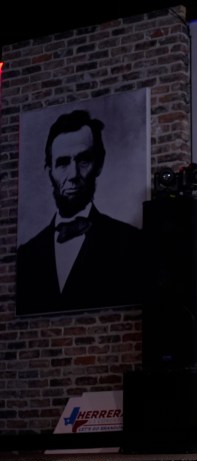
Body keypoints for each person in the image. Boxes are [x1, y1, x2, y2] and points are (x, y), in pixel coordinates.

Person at [16, 109, 143, 316]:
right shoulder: (26, 256)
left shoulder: (131, 242)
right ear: (49, 171)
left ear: (99, 164)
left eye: (83, 160)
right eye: (63, 162)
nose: (73, 174)